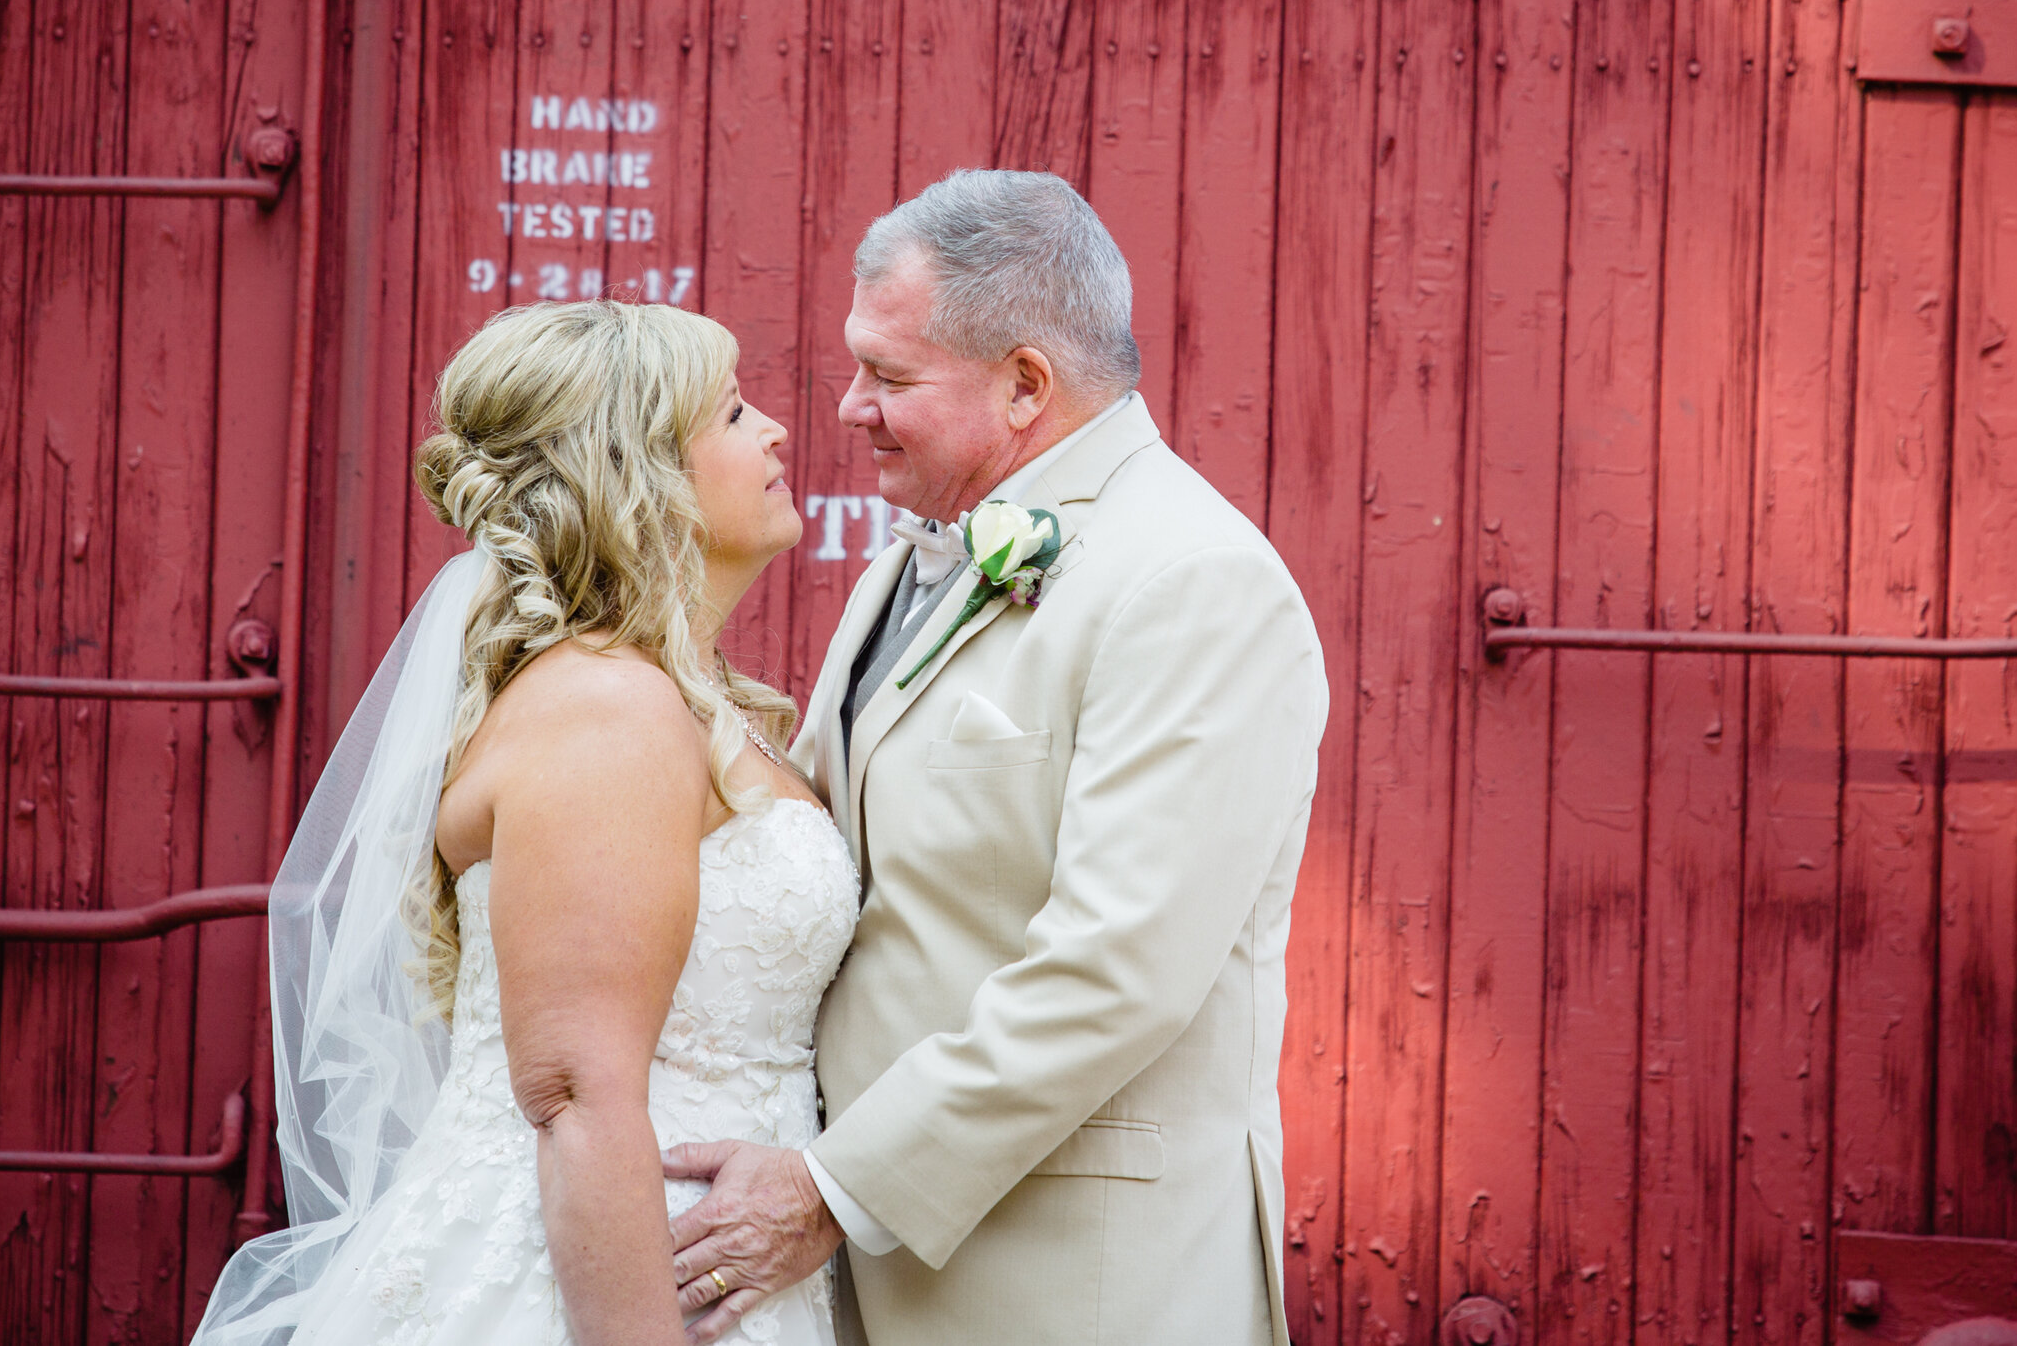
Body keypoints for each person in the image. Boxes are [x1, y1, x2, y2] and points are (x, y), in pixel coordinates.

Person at [662, 170, 1331, 1346]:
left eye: (890, 374)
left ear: (1026, 383)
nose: (849, 407)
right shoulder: (907, 564)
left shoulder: (1193, 581)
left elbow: (1115, 969)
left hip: (1072, 1285)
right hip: (877, 1272)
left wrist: (828, 1187)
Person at [190, 300, 855, 1346]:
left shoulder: (679, 699)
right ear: (639, 472)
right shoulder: (608, 707)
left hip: (713, 1258)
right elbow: (577, 1091)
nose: (774, 428)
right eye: (731, 413)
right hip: (610, 1280)